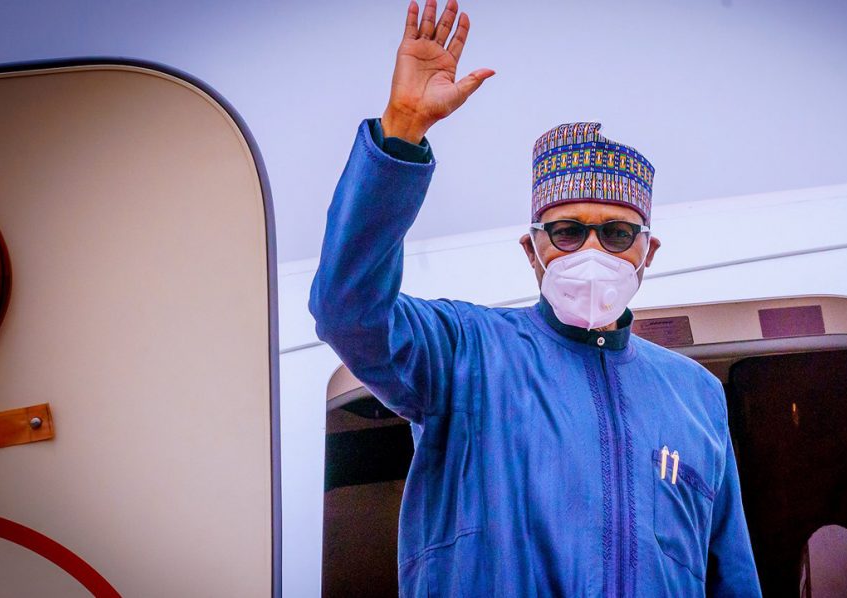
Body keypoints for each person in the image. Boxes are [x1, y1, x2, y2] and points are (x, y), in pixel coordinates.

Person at [308, 1, 762, 595]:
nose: (592, 249)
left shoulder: (697, 398)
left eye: (617, 233)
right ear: (532, 249)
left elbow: (732, 579)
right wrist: (401, 133)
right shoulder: (465, 356)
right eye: (568, 231)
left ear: (646, 252)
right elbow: (347, 310)